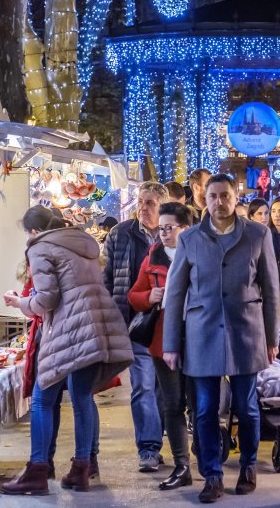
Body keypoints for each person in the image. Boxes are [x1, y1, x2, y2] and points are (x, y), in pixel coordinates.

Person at [162, 174, 280, 503]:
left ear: (235, 196)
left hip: (246, 331)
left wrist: (271, 336)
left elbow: (271, 291)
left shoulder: (258, 234)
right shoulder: (190, 240)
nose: (219, 202)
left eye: (225, 195)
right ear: (205, 199)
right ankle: (211, 474)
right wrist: (171, 343)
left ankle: (248, 465)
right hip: (202, 334)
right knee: (204, 410)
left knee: (248, 407)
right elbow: (175, 294)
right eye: (212, 196)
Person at [2, 205, 134, 494]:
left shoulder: (40, 248)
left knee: (42, 398)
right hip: (97, 327)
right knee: (82, 397)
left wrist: (21, 303)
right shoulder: (83, 244)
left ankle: (37, 470)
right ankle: (81, 469)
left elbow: (47, 299)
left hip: (68, 330)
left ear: (34, 231)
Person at [127, 202, 194, 491]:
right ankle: (182, 465)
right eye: (162, 228)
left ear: (186, 228)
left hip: (197, 338)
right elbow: (134, 295)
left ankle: (209, 461)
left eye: (170, 228)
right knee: (172, 404)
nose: (164, 233)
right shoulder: (152, 256)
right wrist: (149, 296)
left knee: (203, 405)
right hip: (162, 340)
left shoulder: (199, 254)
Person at [104, 181, 169, 472]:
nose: (143, 207)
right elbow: (107, 278)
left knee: (162, 389)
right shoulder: (120, 233)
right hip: (134, 323)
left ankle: (159, 438)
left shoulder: (176, 234)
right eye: (141, 201)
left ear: (162, 206)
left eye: (150, 203)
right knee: (142, 385)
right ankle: (149, 448)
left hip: (168, 325)